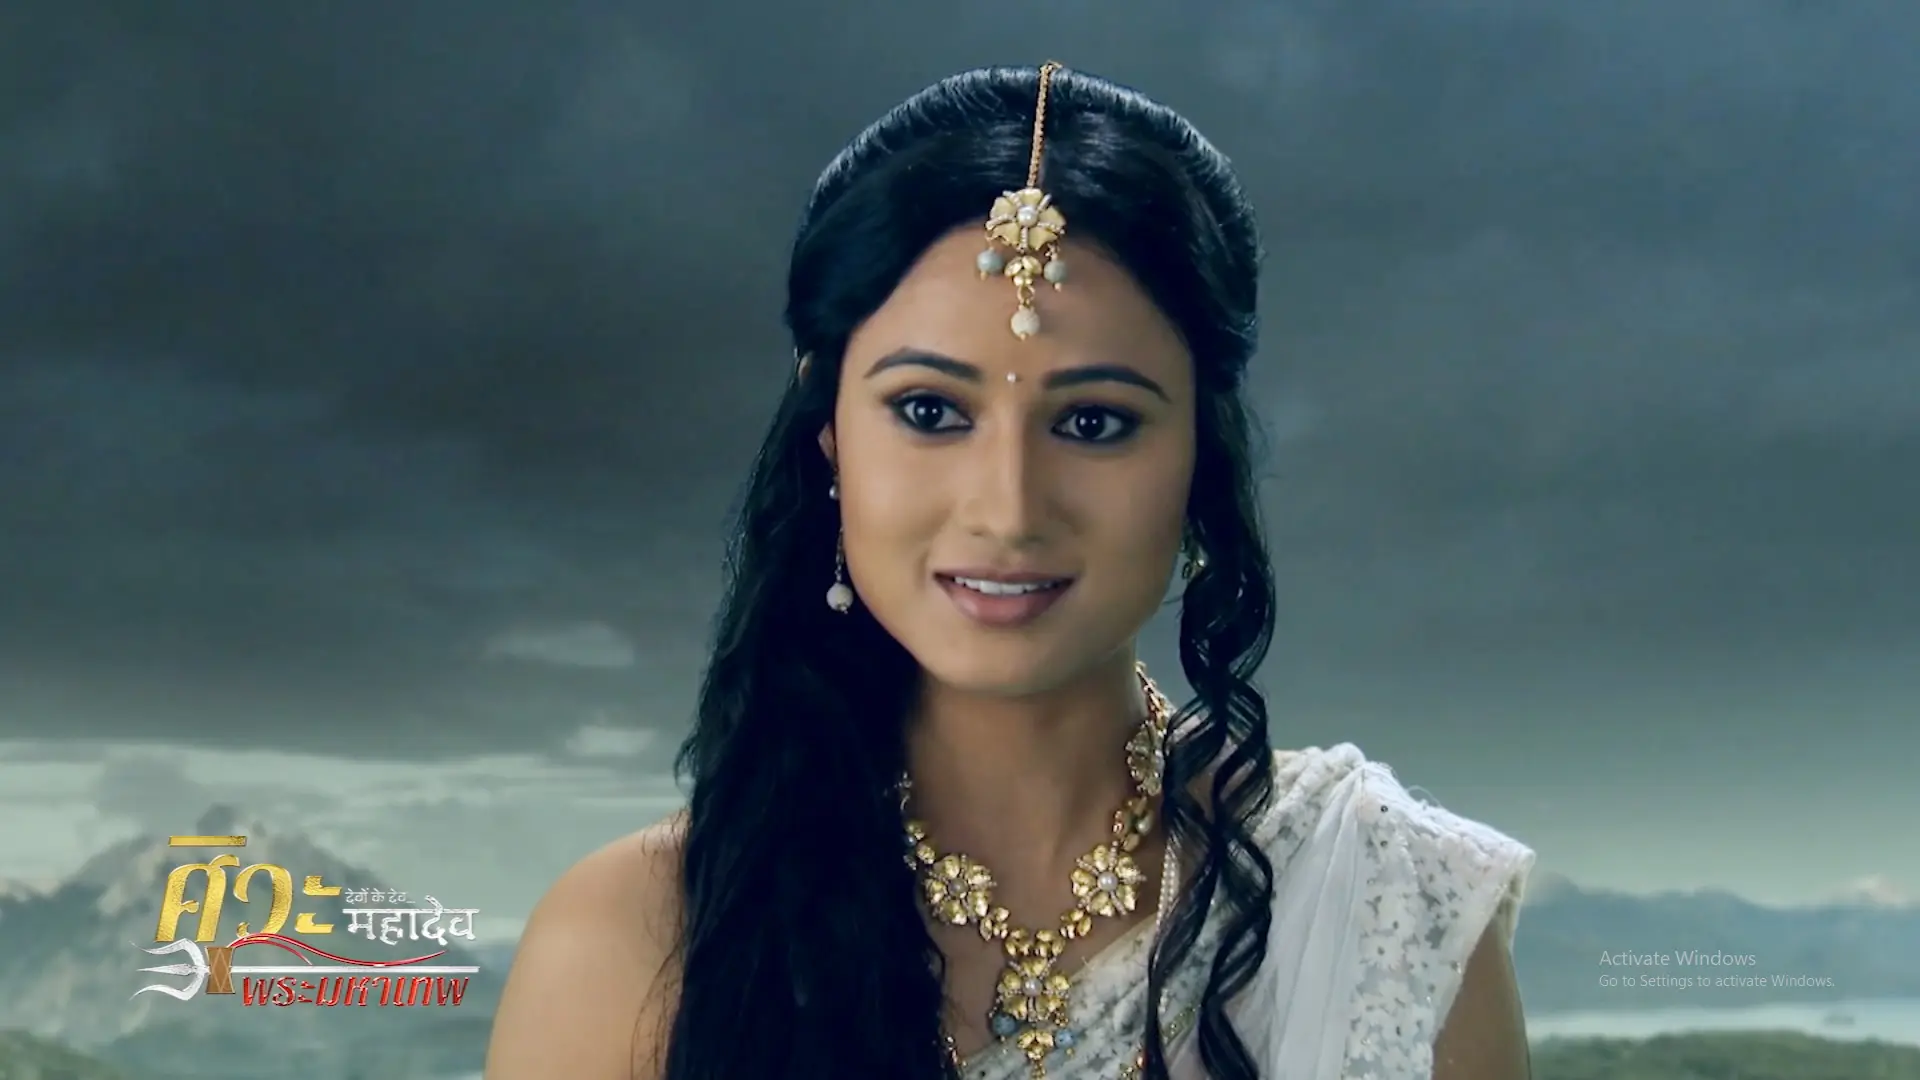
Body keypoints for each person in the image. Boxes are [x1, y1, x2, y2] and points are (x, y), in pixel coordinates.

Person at [485, 62, 1535, 1080]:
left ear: (1202, 460)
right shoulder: (631, 943)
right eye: (930, 411)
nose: (1009, 508)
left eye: (1094, 422)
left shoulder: (1383, 901)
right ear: (829, 436)